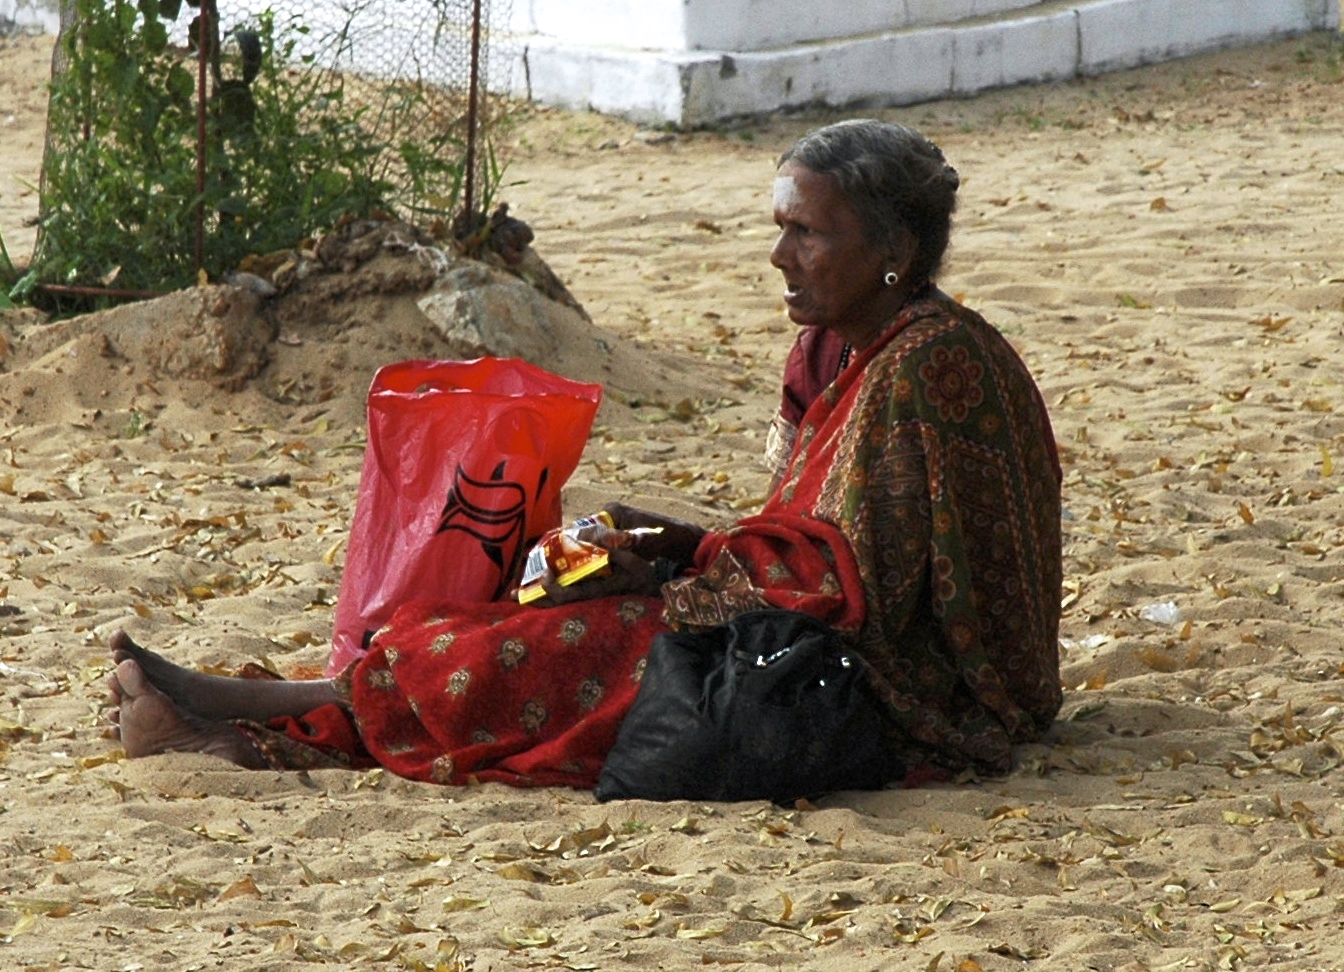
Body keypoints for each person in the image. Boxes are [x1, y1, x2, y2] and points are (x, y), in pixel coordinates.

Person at [107, 118, 1064, 788]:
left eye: (807, 233)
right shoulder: (834, 349)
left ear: (895, 250)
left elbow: (862, 592)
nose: (780, 257)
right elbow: (806, 545)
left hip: (904, 686)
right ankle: (269, 711)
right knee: (518, 605)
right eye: (781, 229)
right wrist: (673, 546)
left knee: (574, 646)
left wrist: (685, 570)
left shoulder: (930, 368)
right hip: (810, 631)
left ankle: (248, 724)